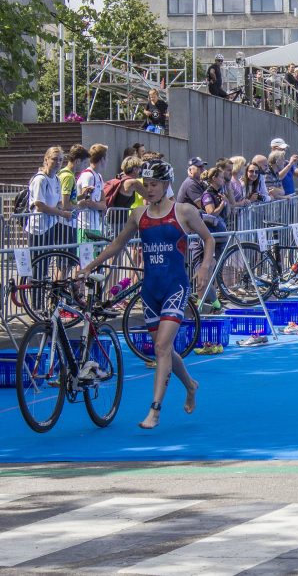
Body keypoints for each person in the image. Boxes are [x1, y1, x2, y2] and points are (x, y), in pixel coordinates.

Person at [77, 159, 214, 429]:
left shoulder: (183, 211)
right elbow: (118, 244)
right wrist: (89, 266)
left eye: (154, 185)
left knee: (162, 347)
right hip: (150, 290)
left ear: (165, 185)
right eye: (146, 184)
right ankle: (190, 385)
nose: (149, 189)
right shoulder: (138, 215)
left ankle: (155, 409)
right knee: (164, 349)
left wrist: (204, 267)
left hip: (175, 287)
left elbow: (208, 238)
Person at [25, 146, 74, 249]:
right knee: (38, 261)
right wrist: (62, 213)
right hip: (38, 228)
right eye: (54, 159)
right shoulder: (40, 180)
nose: (58, 162)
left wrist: (68, 210)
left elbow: (59, 203)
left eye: (60, 160)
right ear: (46, 159)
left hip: (51, 225)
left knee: (48, 259)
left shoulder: (57, 179)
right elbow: (40, 206)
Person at [75, 144, 108, 243]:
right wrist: (98, 205)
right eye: (107, 158)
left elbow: (104, 204)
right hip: (85, 226)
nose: (107, 161)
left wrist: (98, 205)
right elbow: (86, 201)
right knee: (85, 257)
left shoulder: (99, 176)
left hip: (95, 226)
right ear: (102, 159)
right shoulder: (88, 176)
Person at [58, 144, 89, 224]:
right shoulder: (68, 177)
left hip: (66, 222)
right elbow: (65, 204)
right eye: (85, 163)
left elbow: (69, 199)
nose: (86, 166)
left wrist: (81, 197)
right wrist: (79, 207)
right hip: (66, 223)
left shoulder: (63, 172)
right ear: (78, 161)